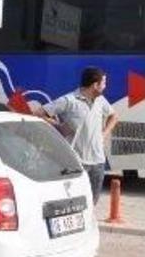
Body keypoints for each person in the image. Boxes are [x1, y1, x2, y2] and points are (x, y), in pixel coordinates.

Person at [39, 66, 119, 203]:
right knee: (72, 202)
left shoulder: (100, 100)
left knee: (92, 203)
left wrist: (104, 134)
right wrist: (58, 126)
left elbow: (114, 116)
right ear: (95, 85)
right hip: (76, 162)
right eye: (104, 83)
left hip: (98, 162)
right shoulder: (69, 101)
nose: (105, 86)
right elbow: (39, 113)